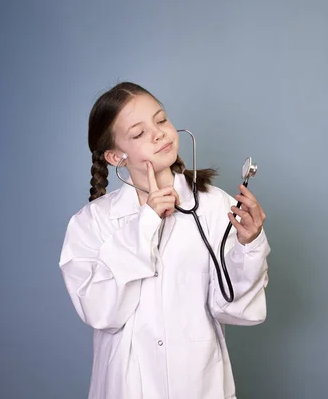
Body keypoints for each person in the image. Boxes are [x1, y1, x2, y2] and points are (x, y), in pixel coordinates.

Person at [58, 81, 270, 398]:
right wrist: (146, 224)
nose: (158, 133)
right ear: (116, 156)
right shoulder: (91, 223)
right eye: (138, 133)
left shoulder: (214, 207)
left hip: (198, 385)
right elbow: (100, 311)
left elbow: (236, 309)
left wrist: (248, 245)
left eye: (160, 120)